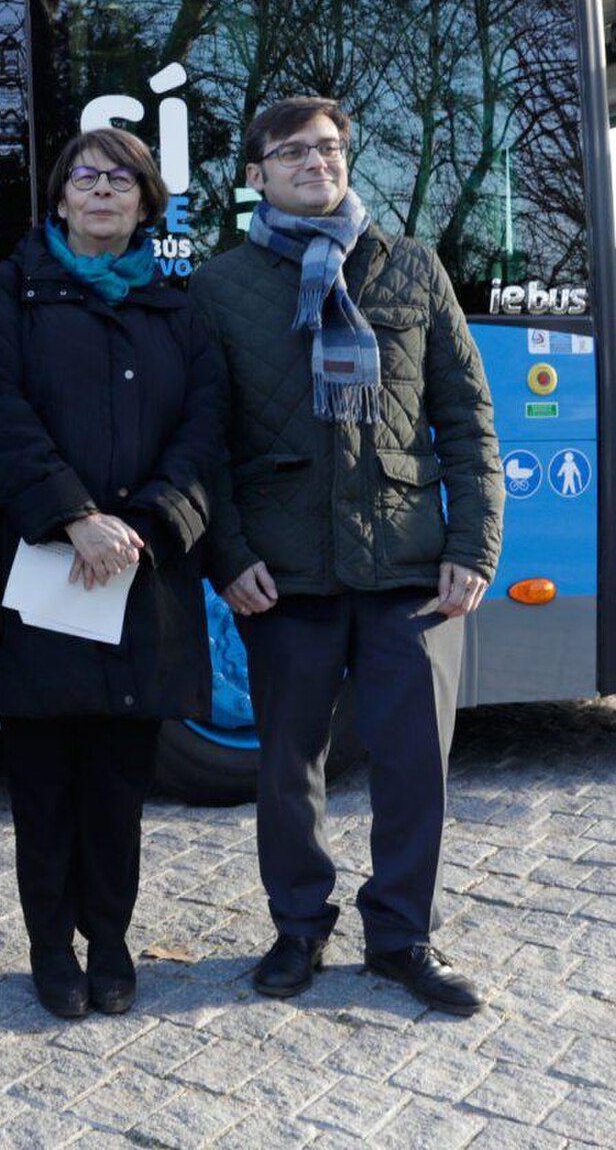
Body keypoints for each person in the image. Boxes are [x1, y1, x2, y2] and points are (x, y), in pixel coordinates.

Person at [192, 97, 502, 1016]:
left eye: (329, 148)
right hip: (285, 573)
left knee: (415, 763)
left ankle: (402, 937)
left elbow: (467, 418)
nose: (316, 163)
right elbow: (205, 443)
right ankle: (298, 929)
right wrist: (228, 554)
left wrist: (474, 543)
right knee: (289, 766)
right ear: (255, 176)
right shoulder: (220, 288)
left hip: (410, 564)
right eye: (292, 152)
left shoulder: (411, 266)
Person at [0, 128, 222, 1018]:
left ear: (147, 204)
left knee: (119, 782)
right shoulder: (9, 293)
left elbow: (203, 435)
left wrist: (138, 526)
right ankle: (49, 949)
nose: (100, 190)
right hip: (42, 571)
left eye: (121, 179)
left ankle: (109, 942)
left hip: (140, 573)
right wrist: (74, 515)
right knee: (43, 779)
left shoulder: (183, 308)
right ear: (59, 198)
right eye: (83, 177)